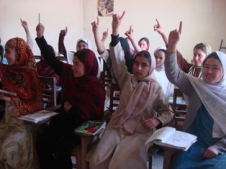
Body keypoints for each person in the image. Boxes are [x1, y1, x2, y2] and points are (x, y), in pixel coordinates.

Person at [86, 11, 173, 169]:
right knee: (98, 160)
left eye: (144, 65)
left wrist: (157, 120)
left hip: (140, 132)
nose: (139, 68)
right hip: (117, 125)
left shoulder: (156, 88)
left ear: (151, 66)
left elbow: (168, 111)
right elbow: (117, 58)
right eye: (136, 63)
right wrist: (115, 31)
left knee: (124, 162)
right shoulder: (127, 78)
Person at [35, 23, 105, 169]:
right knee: (41, 141)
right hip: (65, 121)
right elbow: (51, 59)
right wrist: (40, 37)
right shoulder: (69, 74)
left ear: (88, 65)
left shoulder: (95, 86)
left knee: (61, 148)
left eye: (77, 64)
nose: (73, 67)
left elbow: (94, 116)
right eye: (73, 63)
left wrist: (72, 110)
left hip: (81, 128)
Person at [165, 22, 226, 169]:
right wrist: (172, 47)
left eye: (215, 68)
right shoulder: (195, 85)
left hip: (219, 148)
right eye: (206, 66)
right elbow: (174, 75)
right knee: (179, 165)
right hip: (192, 143)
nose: (209, 71)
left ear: (224, 71)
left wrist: (218, 147)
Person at [0, 37, 43, 169]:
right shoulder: (10, 71)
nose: (5, 56)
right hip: (8, 122)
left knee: (5, 149)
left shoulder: (29, 75)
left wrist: (6, 98)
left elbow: (33, 105)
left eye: (8, 52)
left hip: (24, 126)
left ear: (19, 53)